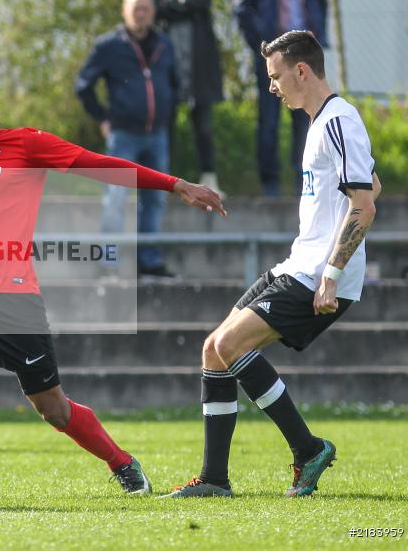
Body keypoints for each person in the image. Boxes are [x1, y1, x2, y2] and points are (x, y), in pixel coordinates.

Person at [0, 68, 225, 498]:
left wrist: (174, 184)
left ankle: (122, 462)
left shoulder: (26, 144)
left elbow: (99, 164)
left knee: (52, 408)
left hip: (12, 304)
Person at [165, 31, 380, 498]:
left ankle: (307, 449)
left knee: (229, 343)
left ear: (301, 71)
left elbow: (364, 204)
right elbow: (373, 184)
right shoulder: (321, 122)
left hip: (317, 275)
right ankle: (216, 480)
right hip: (298, 265)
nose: (271, 86)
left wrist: (332, 273)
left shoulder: (341, 119)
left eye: (275, 75)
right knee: (212, 350)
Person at [76, 0, 178, 279]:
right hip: (123, 135)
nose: (141, 13)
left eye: (145, 8)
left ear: (153, 12)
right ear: (124, 11)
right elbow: (83, 86)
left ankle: (149, 263)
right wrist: (102, 117)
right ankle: (109, 265)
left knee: (155, 200)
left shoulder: (164, 44)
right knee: (116, 199)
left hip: (157, 134)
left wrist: (167, 118)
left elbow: (174, 85)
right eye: (135, 8)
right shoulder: (109, 45)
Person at [234, 0, 328, 196]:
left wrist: (318, 36)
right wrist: (261, 47)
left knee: (307, 117)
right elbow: (242, 7)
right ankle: (270, 184)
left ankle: (305, 180)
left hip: (304, 51)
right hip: (271, 55)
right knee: (269, 119)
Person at [146, 0, 225, 195]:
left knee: (203, 122)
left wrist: (174, 3)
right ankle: (164, 180)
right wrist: (186, 2)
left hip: (198, 54)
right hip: (168, 55)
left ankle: (209, 177)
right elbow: (155, 5)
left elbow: (203, 2)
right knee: (166, 121)